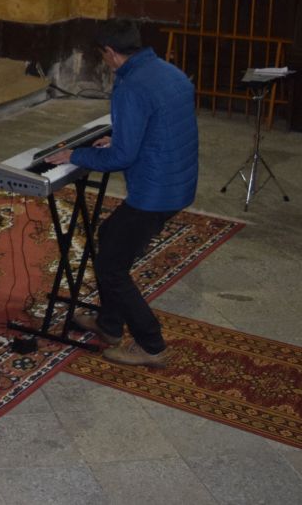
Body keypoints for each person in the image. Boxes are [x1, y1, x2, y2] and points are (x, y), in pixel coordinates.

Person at [46, 19, 199, 369]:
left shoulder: (130, 86)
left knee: (111, 267)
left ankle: (152, 345)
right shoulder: (170, 73)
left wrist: (75, 155)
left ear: (111, 53)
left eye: (103, 56)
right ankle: (110, 324)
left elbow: (121, 158)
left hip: (155, 191)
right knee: (109, 235)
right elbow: (160, 124)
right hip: (179, 181)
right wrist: (120, 136)